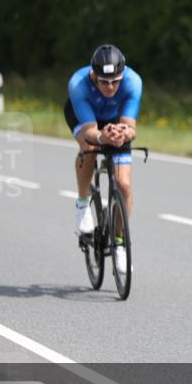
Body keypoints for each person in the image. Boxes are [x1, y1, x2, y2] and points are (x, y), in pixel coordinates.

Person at [64, 44, 142, 274]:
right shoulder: (78, 84)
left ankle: (119, 244)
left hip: (116, 118)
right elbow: (90, 131)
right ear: (93, 75)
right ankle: (82, 203)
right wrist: (101, 137)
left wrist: (124, 134)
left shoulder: (133, 82)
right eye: (104, 82)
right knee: (89, 146)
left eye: (115, 81)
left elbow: (131, 127)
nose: (110, 87)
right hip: (85, 117)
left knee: (124, 185)